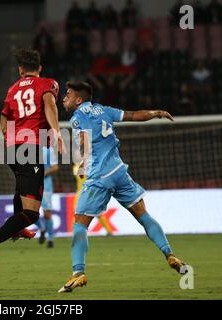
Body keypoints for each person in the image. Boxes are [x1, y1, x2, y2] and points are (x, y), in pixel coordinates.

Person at [58, 81, 186, 293]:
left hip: (99, 176)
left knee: (80, 224)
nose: (64, 98)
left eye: (68, 94)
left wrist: (81, 161)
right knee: (143, 215)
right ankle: (169, 254)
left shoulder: (78, 117)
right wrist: (157, 112)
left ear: (79, 99)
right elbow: (135, 115)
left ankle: (78, 273)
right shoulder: (105, 110)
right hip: (119, 172)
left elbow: (83, 139)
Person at [0, 49, 64, 276]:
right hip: (30, 148)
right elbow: (50, 106)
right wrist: (57, 132)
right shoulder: (48, 84)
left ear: (20, 70)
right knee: (32, 213)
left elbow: (4, 123)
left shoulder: (12, 89)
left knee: (21, 190)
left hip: (12, 148)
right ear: (39, 68)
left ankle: (19, 229)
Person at [36, 146, 59, 248]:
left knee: (47, 213)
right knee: (28, 212)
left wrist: (42, 173)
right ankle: (42, 228)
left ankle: (50, 239)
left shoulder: (49, 150)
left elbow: (55, 167)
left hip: (46, 185)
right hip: (31, 185)